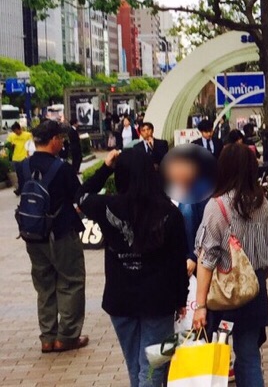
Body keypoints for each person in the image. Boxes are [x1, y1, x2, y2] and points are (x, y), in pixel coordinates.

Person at [76, 148, 188, 387]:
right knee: (154, 365)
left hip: (120, 300)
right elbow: (178, 261)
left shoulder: (106, 206)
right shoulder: (170, 213)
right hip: (159, 301)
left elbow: (80, 195)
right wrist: (181, 299)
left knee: (135, 365)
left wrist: (106, 168)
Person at [193, 143, 268, 387]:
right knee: (249, 356)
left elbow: (206, 259)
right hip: (253, 294)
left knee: (215, 355)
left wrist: (200, 306)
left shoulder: (216, 206)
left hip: (222, 298)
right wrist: (257, 276)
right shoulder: (262, 204)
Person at [21, 121, 89, 353]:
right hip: (61, 234)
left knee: (44, 286)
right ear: (53, 140)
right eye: (61, 138)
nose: (62, 142)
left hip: (33, 235)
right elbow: (79, 196)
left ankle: (48, 337)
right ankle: (67, 337)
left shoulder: (23, 166)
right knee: (71, 281)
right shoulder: (62, 168)